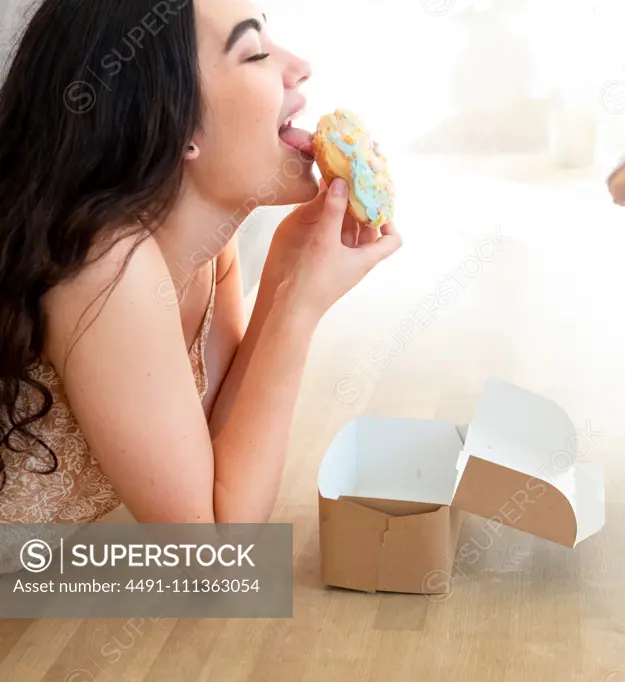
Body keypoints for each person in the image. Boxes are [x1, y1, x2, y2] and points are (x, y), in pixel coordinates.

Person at [0, 0, 401, 531]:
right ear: (174, 119)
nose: (298, 65)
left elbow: (219, 466)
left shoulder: (210, 253)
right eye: (255, 52)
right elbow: (212, 554)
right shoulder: (104, 267)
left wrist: (285, 278)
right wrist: (298, 311)